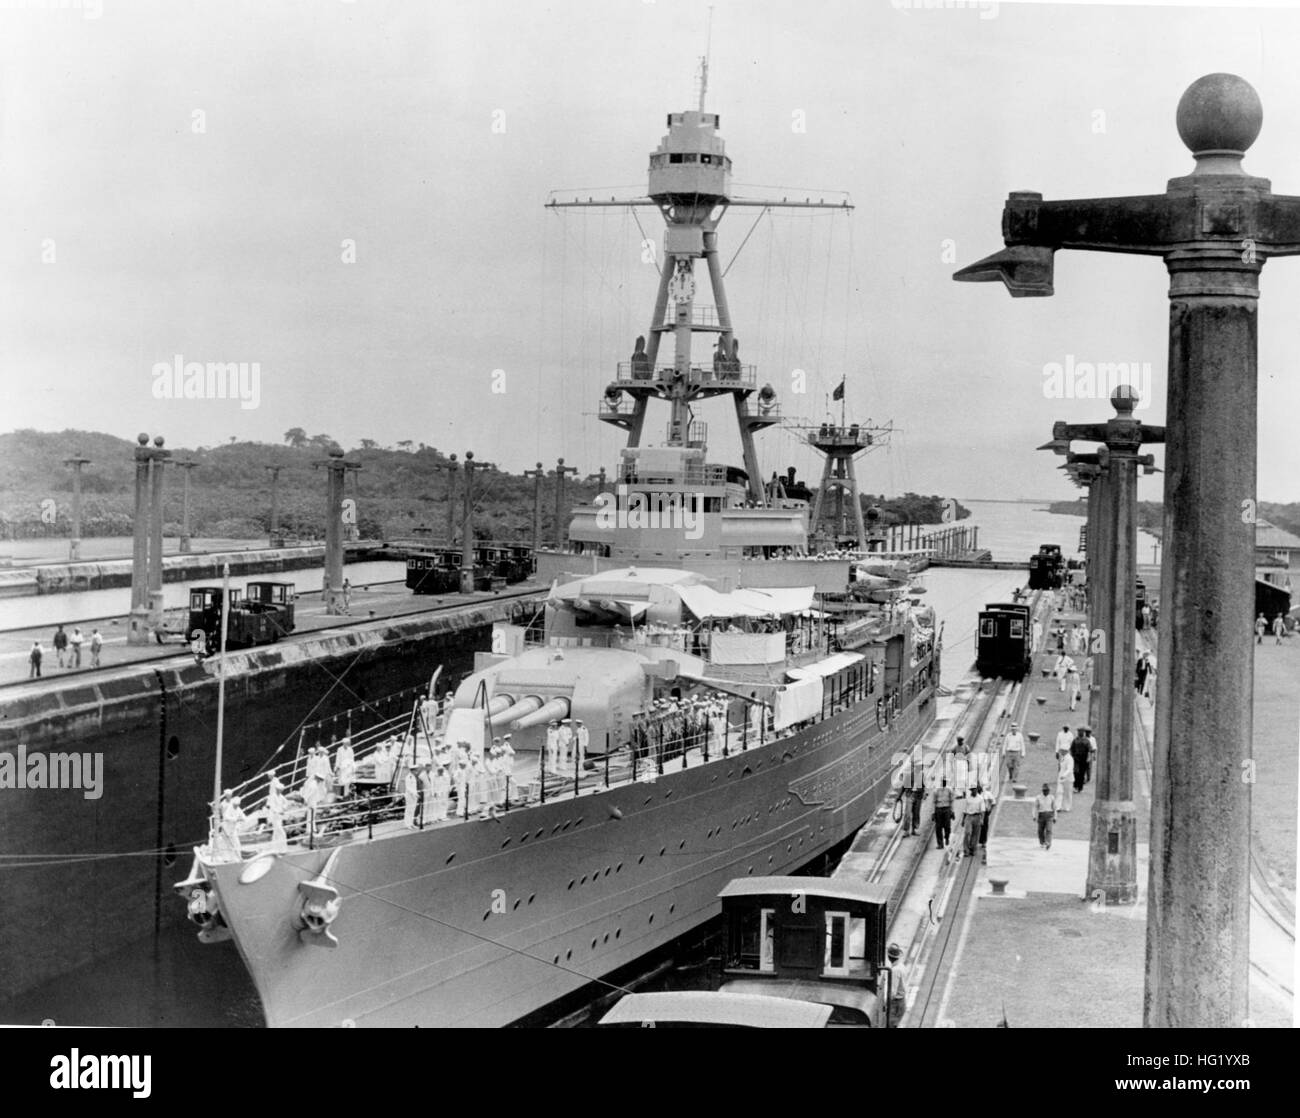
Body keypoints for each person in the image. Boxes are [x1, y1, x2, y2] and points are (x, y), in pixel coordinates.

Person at [886, 943, 908, 1027]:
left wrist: (886, 1003)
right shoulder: (901, 966)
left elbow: (892, 992)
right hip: (901, 1002)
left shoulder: (895, 970)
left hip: (896, 1004)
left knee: (890, 1025)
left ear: (889, 957)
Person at [961, 785, 984, 857]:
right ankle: (966, 850)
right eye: (972, 790)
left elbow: (982, 810)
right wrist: (963, 820)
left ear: (977, 790)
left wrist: (982, 819)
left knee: (975, 834)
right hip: (969, 816)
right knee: (967, 833)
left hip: (977, 816)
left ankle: (973, 849)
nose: (974, 791)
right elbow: (965, 810)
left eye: (975, 789)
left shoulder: (980, 798)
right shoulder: (968, 798)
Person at [932, 778, 954, 849]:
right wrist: (933, 813)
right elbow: (934, 802)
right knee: (938, 827)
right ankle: (940, 844)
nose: (944, 783)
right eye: (943, 782)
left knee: (947, 826)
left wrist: (952, 811)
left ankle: (947, 837)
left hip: (947, 808)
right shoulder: (936, 790)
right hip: (939, 809)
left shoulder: (949, 790)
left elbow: (952, 801)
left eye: (945, 782)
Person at [1035, 782, 1057, 849]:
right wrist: (1034, 816)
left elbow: (1054, 808)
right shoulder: (1038, 797)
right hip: (1041, 815)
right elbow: (1036, 807)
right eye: (1044, 791)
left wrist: (1055, 817)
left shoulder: (1051, 797)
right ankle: (1042, 842)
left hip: (1049, 815)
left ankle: (1048, 842)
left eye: (1047, 791)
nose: (1046, 792)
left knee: (1049, 829)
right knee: (1040, 830)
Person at [1056, 747, 1074, 812]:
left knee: (1068, 793)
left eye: (1062, 751)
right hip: (1061, 777)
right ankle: (1058, 807)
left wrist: (1064, 775)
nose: (1061, 752)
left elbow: (1069, 769)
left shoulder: (1069, 759)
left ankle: (1067, 807)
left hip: (1068, 778)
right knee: (1059, 792)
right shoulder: (1062, 758)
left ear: (1065, 751)